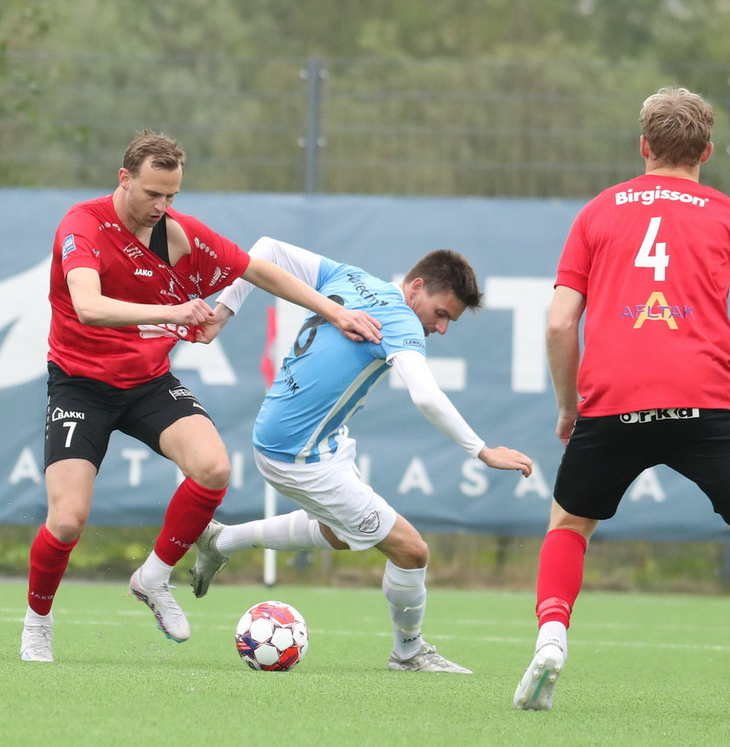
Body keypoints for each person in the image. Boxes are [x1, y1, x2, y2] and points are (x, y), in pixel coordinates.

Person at [513, 87, 730, 720]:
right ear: (708, 152)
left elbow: (558, 323)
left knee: (569, 527)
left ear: (644, 146)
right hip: (706, 404)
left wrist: (568, 407)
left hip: (612, 404)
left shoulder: (596, 213)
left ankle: (551, 637)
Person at [19, 131, 382, 662]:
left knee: (214, 468)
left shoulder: (180, 233)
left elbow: (258, 270)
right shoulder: (83, 224)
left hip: (148, 382)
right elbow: (89, 307)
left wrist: (335, 311)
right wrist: (174, 312)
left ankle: (153, 577)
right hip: (80, 384)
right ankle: (37, 622)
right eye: (152, 194)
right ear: (124, 179)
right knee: (68, 519)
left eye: (171, 196)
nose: (161, 206)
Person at [190, 240, 533, 672]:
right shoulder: (401, 321)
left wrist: (223, 311)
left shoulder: (351, 277)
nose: (442, 328)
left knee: (342, 533)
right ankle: (408, 653)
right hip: (298, 455)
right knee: (411, 551)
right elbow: (426, 396)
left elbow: (265, 249)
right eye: (441, 313)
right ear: (416, 288)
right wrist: (482, 451)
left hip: (314, 441)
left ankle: (221, 540)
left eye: (450, 320)